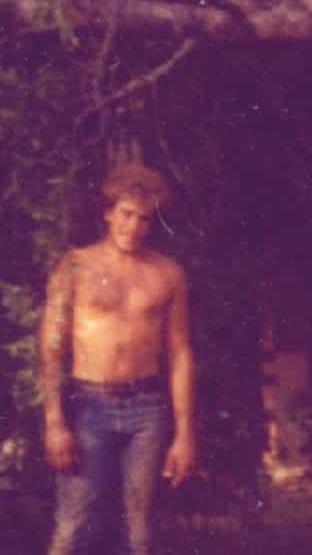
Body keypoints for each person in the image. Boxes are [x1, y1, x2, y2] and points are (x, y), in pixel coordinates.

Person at [40, 163, 196, 555]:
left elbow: (179, 352)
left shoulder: (167, 273)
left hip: (147, 408)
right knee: (73, 526)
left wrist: (185, 432)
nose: (134, 226)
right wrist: (54, 421)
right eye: (126, 214)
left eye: (145, 218)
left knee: (140, 531)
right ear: (108, 212)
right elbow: (51, 347)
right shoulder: (76, 265)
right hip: (88, 403)